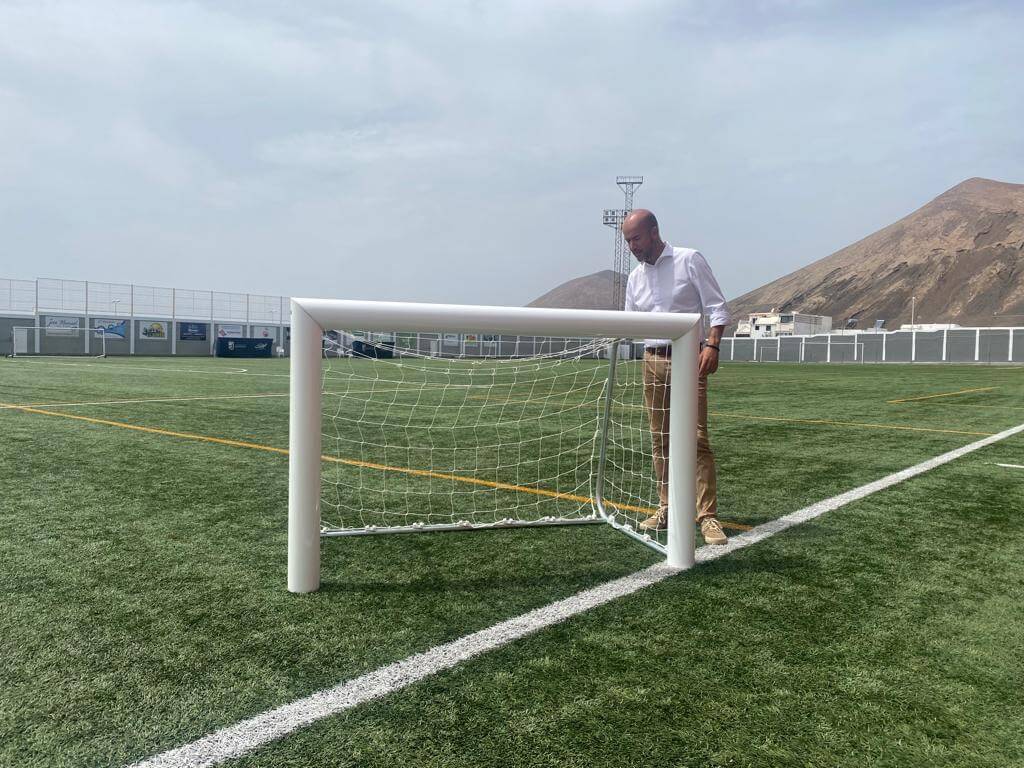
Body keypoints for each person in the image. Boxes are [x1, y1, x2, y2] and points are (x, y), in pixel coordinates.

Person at [622, 209, 731, 545]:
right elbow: (630, 321)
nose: (632, 247)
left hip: (688, 359)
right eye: (628, 241)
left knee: (696, 438)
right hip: (651, 360)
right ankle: (667, 506)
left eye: (636, 239)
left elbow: (717, 307)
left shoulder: (689, 260)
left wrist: (712, 345)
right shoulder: (635, 278)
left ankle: (707, 517)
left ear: (654, 232)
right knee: (660, 439)